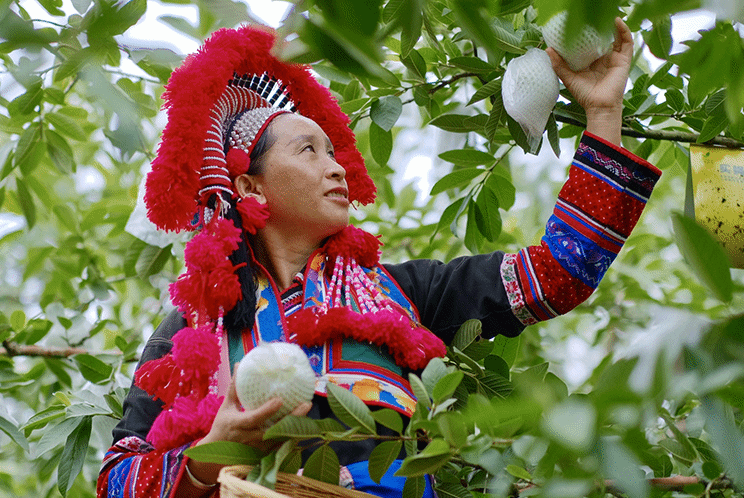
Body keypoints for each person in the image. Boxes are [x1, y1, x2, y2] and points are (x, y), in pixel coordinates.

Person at [97, 19, 661, 498]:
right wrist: (206, 460)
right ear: (250, 188)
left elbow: (558, 274)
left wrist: (603, 112)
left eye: (333, 149)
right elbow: (116, 479)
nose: (338, 166)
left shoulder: (404, 293)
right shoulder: (193, 331)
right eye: (308, 150)